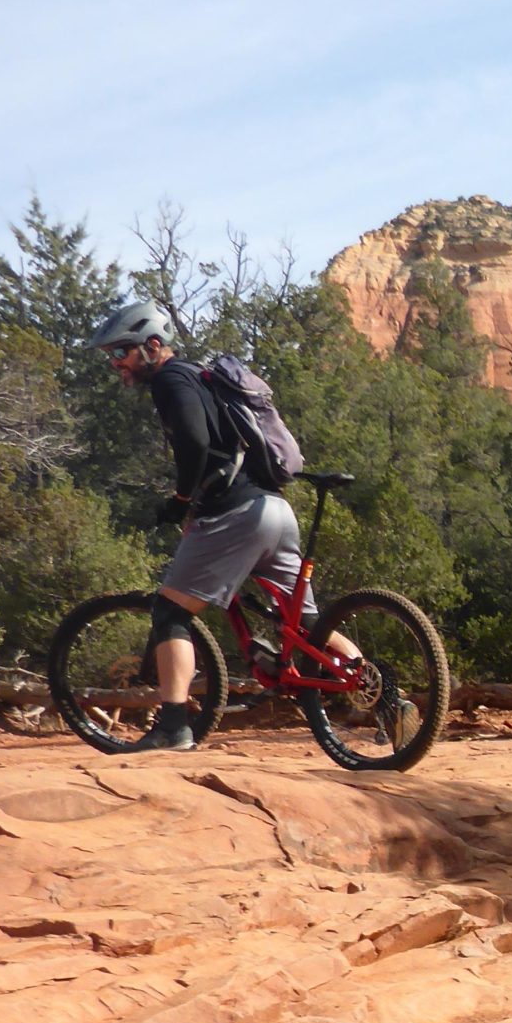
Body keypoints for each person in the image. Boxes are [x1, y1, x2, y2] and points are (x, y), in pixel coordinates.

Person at [87, 300, 315, 751]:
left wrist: (181, 500)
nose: (116, 363)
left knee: (171, 612)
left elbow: (194, 440)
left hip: (236, 515)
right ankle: (386, 698)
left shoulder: (171, 380)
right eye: (112, 354)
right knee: (310, 625)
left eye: (122, 352)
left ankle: (173, 726)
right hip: (274, 509)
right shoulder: (201, 377)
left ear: (153, 345)